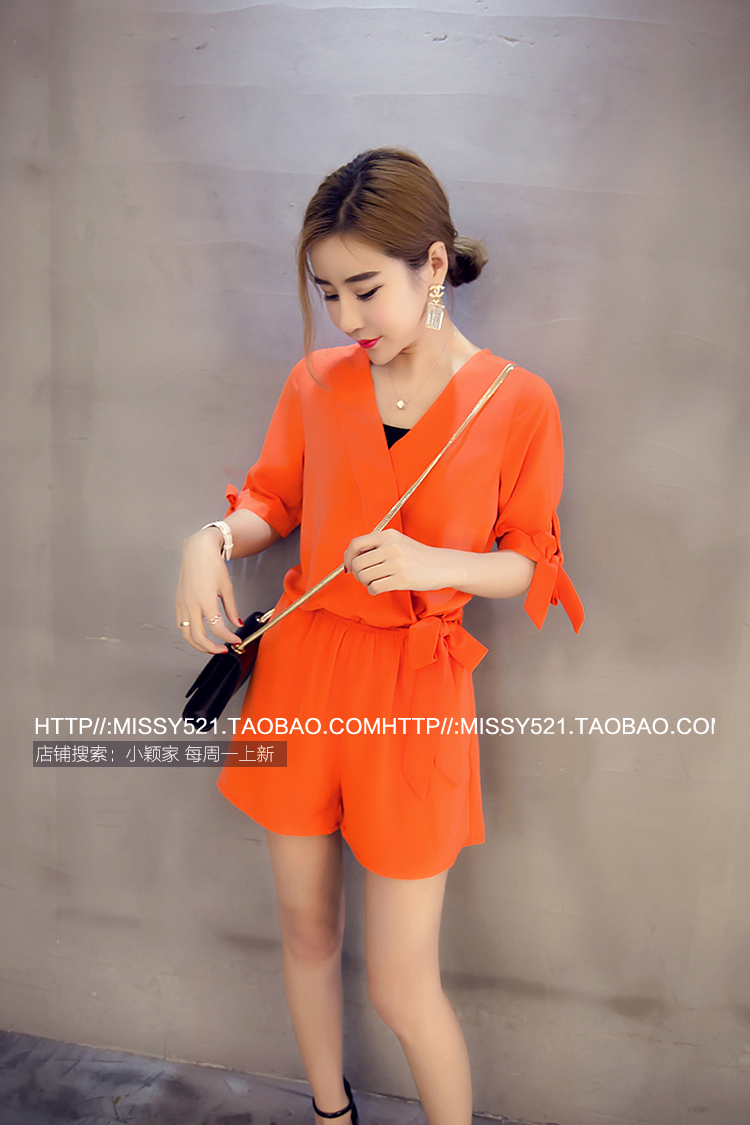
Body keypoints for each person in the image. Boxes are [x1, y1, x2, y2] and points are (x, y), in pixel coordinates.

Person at [175, 147, 584, 1125]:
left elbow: (531, 561)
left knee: (403, 984)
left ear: (432, 265)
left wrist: (436, 564)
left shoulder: (516, 400)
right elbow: (272, 501)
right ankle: (332, 1113)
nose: (348, 318)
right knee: (306, 929)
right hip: (302, 674)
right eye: (329, 293)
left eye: (365, 289)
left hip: (415, 689)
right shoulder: (316, 383)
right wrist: (209, 539)